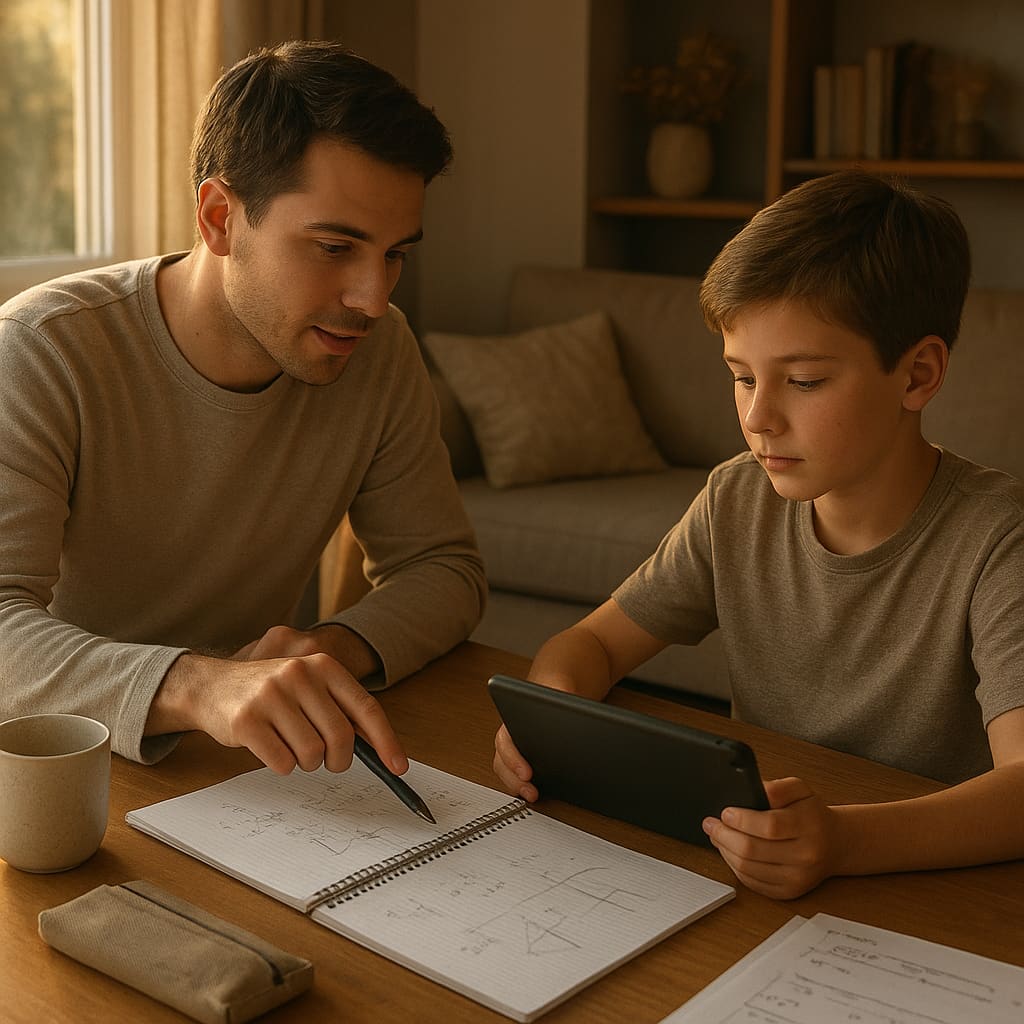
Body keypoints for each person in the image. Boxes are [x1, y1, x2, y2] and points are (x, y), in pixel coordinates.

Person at [493, 170, 1024, 899]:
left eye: (803, 381)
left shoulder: (999, 539)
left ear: (918, 374)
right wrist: (548, 718)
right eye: (742, 377)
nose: (758, 417)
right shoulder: (737, 498)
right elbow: (588, 645)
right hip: (759, 872)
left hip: (931, 890)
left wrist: (844, 840)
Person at [0, 40, 486, 778]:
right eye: (334, 247)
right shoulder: (45, 349)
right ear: (220, 217)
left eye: (395, 254)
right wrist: (198, 685)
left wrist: (327, 648)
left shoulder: (380, 353)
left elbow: (443, 569)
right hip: (63, 767)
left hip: (249, 769)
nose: (374, 298)